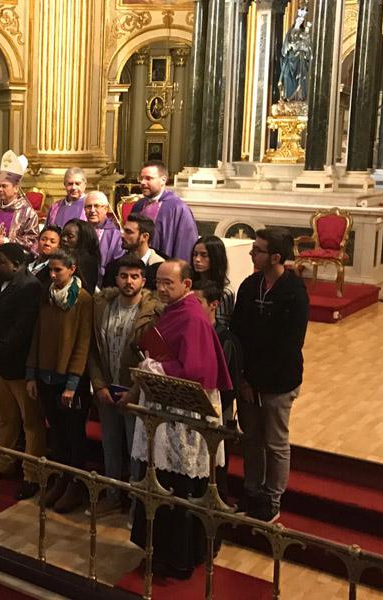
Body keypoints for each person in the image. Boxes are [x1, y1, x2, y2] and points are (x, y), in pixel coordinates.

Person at [129, 259, 232, 580]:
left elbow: (197, 371)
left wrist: (156, 367)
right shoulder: (175, 310)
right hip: (166, 410)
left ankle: (179, 558)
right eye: (158, 282)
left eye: (168, 283)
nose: (160, 288)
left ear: (187, 284)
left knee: (180, 487)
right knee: (162, 482)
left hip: (184, 419)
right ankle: (161, 551)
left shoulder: (191, 316)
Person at [231, 227, 309, 523]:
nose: (252, 254)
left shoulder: (294, 291)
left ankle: (272, 499)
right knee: (251, 439)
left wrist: (258, 382)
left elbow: (289, 344)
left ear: (275, 257)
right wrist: (243, 378)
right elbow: (238, 332)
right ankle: (251, 491)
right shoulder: (250, 285)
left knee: (275, 442)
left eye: (257, 250)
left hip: (279, 381)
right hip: (248, 380)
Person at [87, 254, 159, 517]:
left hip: (135, 393)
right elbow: (93, 350)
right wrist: (99, 385)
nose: (129, 281)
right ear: (116, 278)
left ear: (143, 280)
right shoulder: (102, 306)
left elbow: (154, 359)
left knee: (135, 451)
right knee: (110, 446)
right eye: (124, 276)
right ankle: (112, 496)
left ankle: (136, 505)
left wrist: (134, 392)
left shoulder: (152, 313)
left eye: (135, 276)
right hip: (107, 389)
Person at [0, 243, 45, 501]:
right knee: (6, 418)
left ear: (17, 264)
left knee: (31, 422)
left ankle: (32, 475)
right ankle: (4, 463)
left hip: (20, 364)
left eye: (1, 262)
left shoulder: (30, 287)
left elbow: (23, 329)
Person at [26, 250, 94, 513]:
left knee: (74, 434)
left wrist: (72, 384)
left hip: (69, 380)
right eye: (51, 270)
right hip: (46, 374)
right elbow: (37, 335)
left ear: (72, 269)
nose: (53, 275)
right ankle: (61, 479)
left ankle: (75, 484)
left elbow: (83, 342)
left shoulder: (83, 299)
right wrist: (32, 373)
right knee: (56, 433)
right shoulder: (47, 295)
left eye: (59, 270)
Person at [192, 278, 243, 501]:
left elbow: (230, 385)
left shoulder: (226, 340)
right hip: (192, 411)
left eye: (197, 302)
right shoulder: (188, 332)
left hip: (216, 412)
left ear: (214, 305)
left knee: (215, 465)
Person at [0, 150, 39, 269]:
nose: (0, 189)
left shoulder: (28, 213)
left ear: (16, 188)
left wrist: (6, 241)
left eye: (4, 186)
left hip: (15, 268)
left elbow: (32, 242)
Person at [130, 161, 198, 260]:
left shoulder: (178, 208)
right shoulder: (139, 205)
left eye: (148, 178)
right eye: (141, 178)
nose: (142, 182)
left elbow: (185, 246)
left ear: (163, 180)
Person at [112, 213, 165, 290]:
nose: (122, 235)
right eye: (123, 231)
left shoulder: (163, 268)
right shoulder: (114, 267)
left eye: (128, 232)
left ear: (145, 237)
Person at [191, 235, 235, 327]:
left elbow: (221, 326)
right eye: (195, 254)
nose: (197, 259)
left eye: (204, 255)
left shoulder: (225, 291)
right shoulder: (188, 284)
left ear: (216, 258)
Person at [84, 191, 124, 283]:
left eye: (96, 206)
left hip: (106, 282)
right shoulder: (79, 231)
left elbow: (118, 264)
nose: (92, 210)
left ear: (106, 209)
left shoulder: (116, 235)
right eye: (88, 206)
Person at [60, 219, 100, 294]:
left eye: (70, 236)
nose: (64, 239)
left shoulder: (86, 261)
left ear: (82, 239)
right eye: (62, 235)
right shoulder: (61, 256)